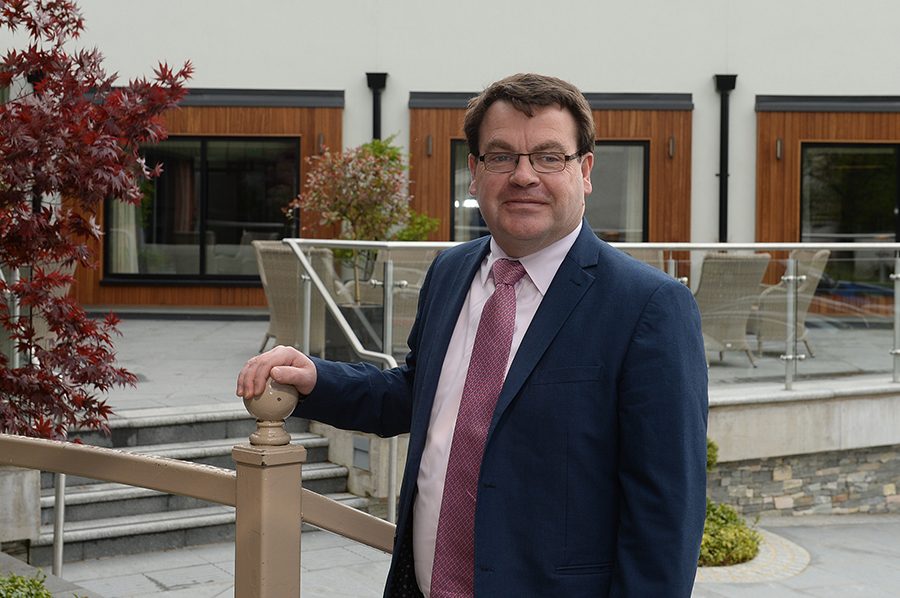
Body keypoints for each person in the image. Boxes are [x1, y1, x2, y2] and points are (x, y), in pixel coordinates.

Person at [237, 73, 708, 598]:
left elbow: (666, 513)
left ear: (586, 170)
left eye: (549, 157)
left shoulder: (649, 307)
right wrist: (316, 378)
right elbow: (420, 395)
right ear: (475, 172)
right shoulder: (451, 271)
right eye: (502, 156)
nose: (523, 176)